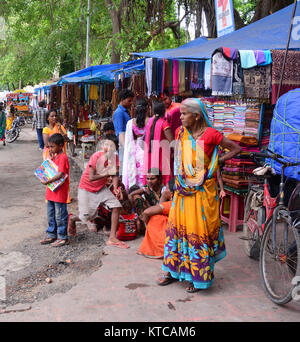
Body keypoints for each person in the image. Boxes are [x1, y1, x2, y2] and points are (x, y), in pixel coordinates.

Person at [158, 98, 241, 293]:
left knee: (197, 232)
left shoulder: (211, 134)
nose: (181, 117)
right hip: (182, 192)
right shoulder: (181, 133)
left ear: (196, 116)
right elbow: (179, 159)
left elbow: (236, 149)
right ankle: (173, 271)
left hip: (202, 192)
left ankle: (197, 276)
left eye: (184, 114)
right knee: (177, 230)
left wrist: (216, 162)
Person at [68, 135, 130, 249]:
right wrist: (107, 173)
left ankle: (112, 238)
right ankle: (72, 219)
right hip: (86, 188)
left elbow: (115, 175)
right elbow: (91, 177)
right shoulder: (96, 156)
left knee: (116, 206)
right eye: (108, 146)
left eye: (113, 147)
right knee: (86, 217)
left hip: (101, 188)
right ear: (103, 146)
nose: (110, 149)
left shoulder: (115, 158)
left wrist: (116, 188)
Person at [39, 133, 70, 247]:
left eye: (52, 147)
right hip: (51, 191)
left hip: (59, 192)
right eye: (49, 147)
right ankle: (52, 234)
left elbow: (61, 174)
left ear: (61, 145)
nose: (50, 149)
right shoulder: (55, 156)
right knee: (51, 214)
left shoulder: (63, 157)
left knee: (60, 214)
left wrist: (47, 181)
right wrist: (50, 160)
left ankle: (62, 237)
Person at [137, 178, 175, 259]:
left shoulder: (172, 204)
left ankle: (157, 250)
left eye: (167, 189)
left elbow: (147, 212)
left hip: (169, 243)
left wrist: (164, 197)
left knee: (155, 217)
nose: (165, 190)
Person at [122, 98, 150, 190]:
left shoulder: (131, 123)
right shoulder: (151, 121)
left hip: (136, 151)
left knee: (136, 172)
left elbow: (131, 140)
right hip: (148, 150)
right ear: (147, 108)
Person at [143, 102, 174, 186]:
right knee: (163, 172)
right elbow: (172, 141)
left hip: (150, 153)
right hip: (162, 154)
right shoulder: (164, 123)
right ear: (164, 111)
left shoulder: (150, 122)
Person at [112, 89, 134, 174]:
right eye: (129, 100)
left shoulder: (124, 111)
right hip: (124, 144)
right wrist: (126, 147)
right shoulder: (119, 113)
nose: (131, 103)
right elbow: (120, 132)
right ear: (122, 100)